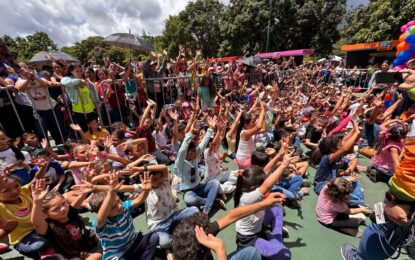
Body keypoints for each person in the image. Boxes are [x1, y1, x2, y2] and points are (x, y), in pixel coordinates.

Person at [172, 192, 286, 260]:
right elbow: (219, 249)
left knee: (251, 252)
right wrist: (220, 250)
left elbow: (230, 217)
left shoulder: (199, 234)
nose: (210, 236)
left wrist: (264, 204)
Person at [89, 172, 159, 260]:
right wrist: (111, 192)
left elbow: (138, 200)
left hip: (134, 243)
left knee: (154, 237)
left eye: (118, 201)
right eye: (113, 207)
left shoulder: (123, 207)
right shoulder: (101, 224)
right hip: (118, 255)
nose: (119, 206)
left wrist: (146, 190)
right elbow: (100, 218)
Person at [30, 179, 102, 259]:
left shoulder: (70, 212)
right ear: (45, 215)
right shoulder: (47, 227)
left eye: (63, 203)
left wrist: (87, 184)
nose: (63, 208)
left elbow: (80, 197)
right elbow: (36, 223)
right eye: (56, 209)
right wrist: (37, 202)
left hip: (89, 245)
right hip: (71, 256)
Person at [174, 116, 224, 215]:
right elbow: (182, 150)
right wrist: (190, 133)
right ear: (187, 153)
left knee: (215, 183)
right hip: (189, 191)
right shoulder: (180, 162)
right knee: (189, 200)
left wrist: (211, 128)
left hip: (199, 187)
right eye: (192, 151)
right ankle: (212, 202)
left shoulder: (195, 158)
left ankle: (205, 211)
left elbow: (204, 143)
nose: (195, 152)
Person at [235, 101, 266, 169]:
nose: (254, 123)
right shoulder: (245, 133)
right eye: (252, 122)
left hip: (246, 157)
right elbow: (258, 127)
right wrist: (262, 110)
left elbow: (263, 129)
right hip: (243, 161)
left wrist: (262, 116)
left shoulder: (248, 130)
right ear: (246, 125)